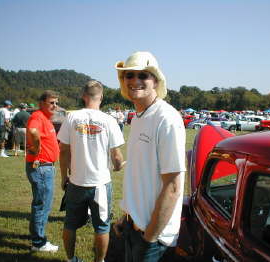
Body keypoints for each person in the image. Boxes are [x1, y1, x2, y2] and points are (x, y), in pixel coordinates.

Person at [114, 51, 186, 262]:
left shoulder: (167, 118)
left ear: (155, 80)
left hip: (153, 237)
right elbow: (140, 176)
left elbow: (173, 187)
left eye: (143, 75)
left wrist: (149, 239)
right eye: (129, 75)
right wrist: (127, 215)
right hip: (133, 228)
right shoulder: (137, 118)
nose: (135, 80)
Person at [58, 80, 125, 262]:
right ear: (101, 97)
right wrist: (118, 166)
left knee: (70, 224)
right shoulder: (109, 120)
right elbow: (117, 156)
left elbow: (63, 150)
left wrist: (64, 177)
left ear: (83, 96)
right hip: (100, 184)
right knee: (102, 227)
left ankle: (71, 259)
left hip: (76, 181)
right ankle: (99, 260)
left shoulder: (71, 117)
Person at [25, 90, 60, 252]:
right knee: (42, 204)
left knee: (41, 203)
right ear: (41, 103)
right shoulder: (38, 117)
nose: (55, 105)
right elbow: (33, 132)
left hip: (45, 167)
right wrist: (37, 148)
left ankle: (35, 235)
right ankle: (38, 242)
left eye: (56, 102)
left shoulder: (45, 118)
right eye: (51, 102)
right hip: (42, 167)